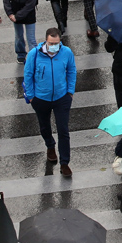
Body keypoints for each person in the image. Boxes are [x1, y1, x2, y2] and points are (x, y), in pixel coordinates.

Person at [23, 28, 77, 177]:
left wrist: (70, 92)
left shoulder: (66, 52)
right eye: (51, 43)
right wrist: (32, 96)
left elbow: (72, 71)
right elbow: (28, 75)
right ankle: (50, 145)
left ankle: (65, 163)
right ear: (46, 41)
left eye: (56, 43)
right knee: (44, 127)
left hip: (61, 98)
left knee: (63, 130)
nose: (54, 46)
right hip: (41, 99)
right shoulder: (34, 54)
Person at [3, 0, 38, 65]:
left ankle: (33, 59)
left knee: (31, 38)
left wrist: (17, 16)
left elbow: (31, 2)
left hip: (27, 14)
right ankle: (21, 55)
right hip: (15, 13)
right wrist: (9, 12)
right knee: (18, 36)